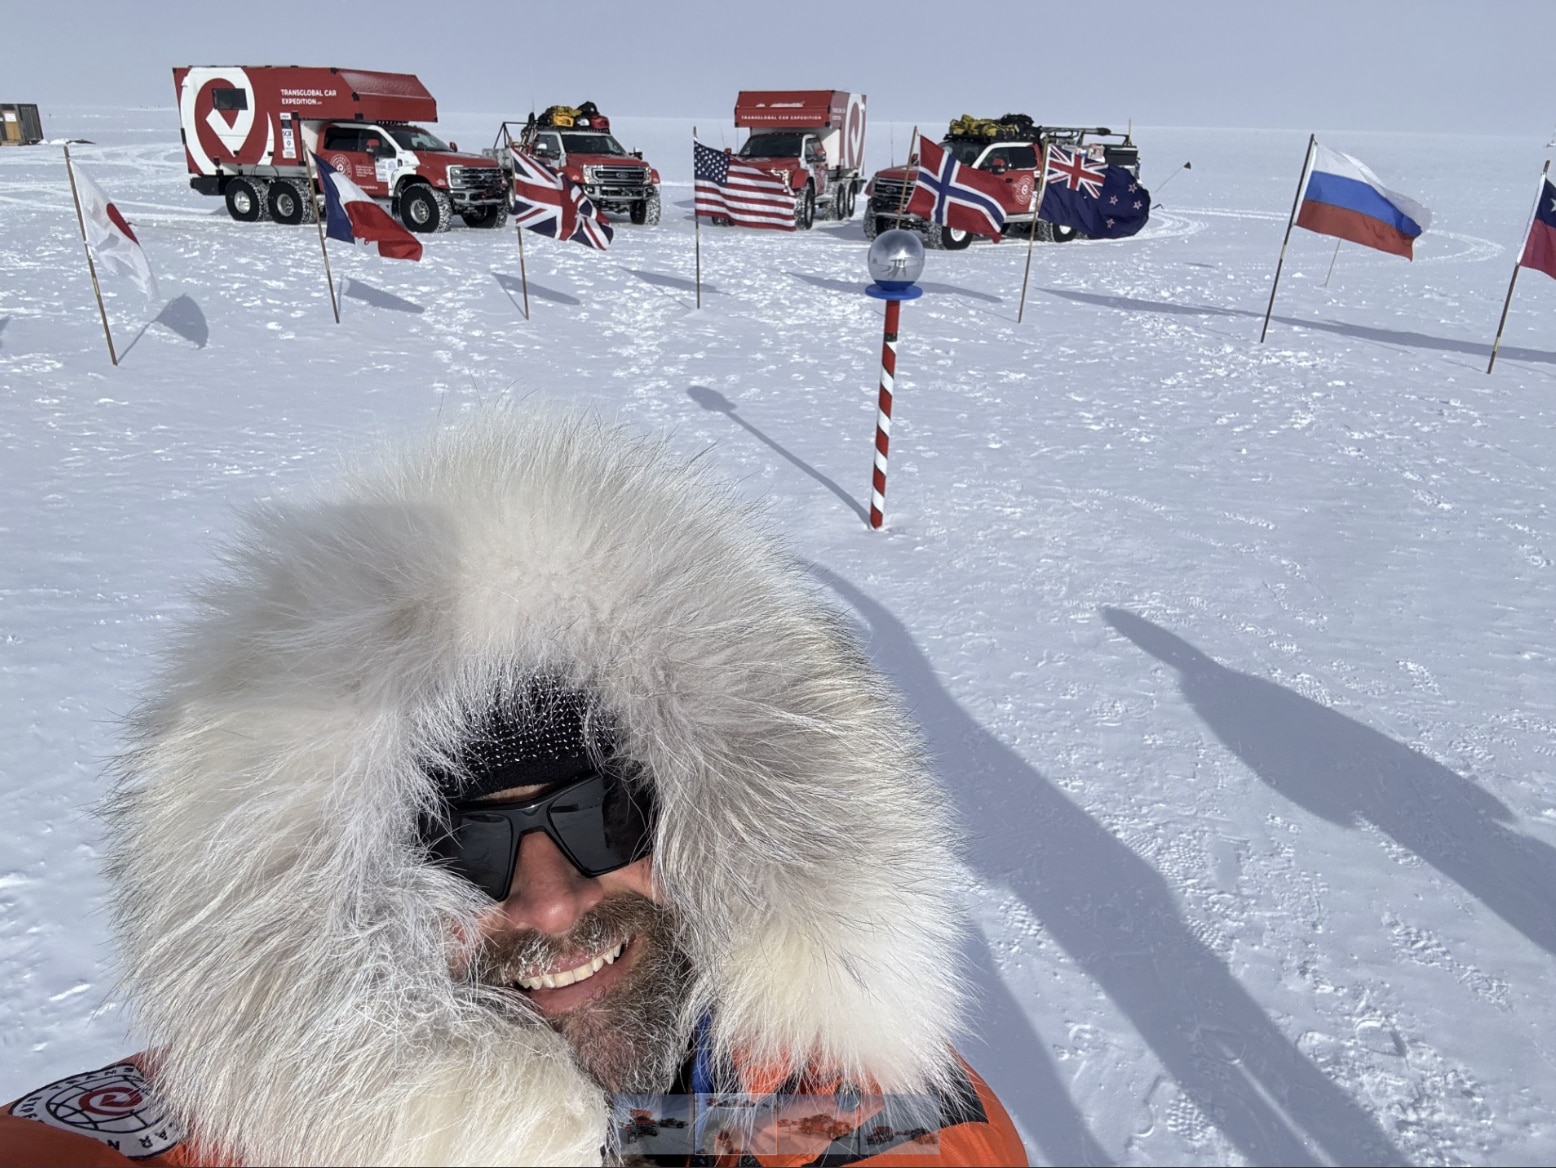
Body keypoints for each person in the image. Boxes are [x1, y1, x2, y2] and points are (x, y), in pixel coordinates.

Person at [1, 408, 1027, 1166]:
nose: (545, 900)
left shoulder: (920, 1128)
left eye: (593, 812)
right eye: (462, 849)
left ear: (703, 825)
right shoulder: (217, 1132)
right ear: (345, 899)